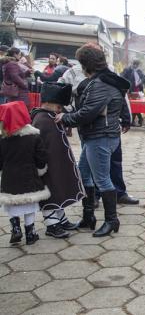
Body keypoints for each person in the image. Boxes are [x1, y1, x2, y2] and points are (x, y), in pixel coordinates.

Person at [56, 43, 130, 237]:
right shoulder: (105, 80)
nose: (80, 66)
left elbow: (88, 113)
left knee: (102, 179)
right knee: (84, 175)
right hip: (99, 135)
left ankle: (112, 220)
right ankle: (89, 216)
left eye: (81, 62)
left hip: (100, 137)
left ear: (86, 63)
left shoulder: (100, 84)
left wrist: (65, 119)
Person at [31, 82, 84, 238]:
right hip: (46, 166)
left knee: (58, 189)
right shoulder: (41, 119)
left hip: (56, 163)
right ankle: (51, 224)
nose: (60, 109)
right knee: (50, 192)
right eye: (58, 106)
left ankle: (60, 219)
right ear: (48, 103)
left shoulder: (50, 115)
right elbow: (38, 146)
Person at [0, 101, 49, 245]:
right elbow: (41, 157)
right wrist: (41, 169)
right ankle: (30, 233)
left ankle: (15, 229)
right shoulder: (33, 137)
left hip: (9, 178)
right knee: (29, 205)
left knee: (12, 204)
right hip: (29, 177)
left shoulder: (2, 139)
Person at [121, 59, 145, 126]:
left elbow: (144, 79)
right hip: (129, 90)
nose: (135, 65)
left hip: (137, 90)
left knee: (136, 105)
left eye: (136, 64)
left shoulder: (139, 71)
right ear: (131, 63)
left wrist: (141, 82)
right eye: (134, 64)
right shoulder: (127, 70)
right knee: (131, 105)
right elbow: (122, 77)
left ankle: (135, 120)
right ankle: (137, 120)